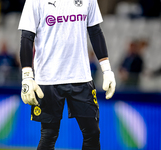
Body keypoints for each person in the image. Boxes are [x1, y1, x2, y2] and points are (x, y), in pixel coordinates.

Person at [18, 0, 116, 149]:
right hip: (48, 79)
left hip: (81, 77)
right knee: (49, 135)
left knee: (92, 133)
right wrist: (27, 76)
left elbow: (95, 31)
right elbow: (26, 37)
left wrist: (107, 69)